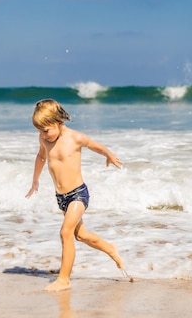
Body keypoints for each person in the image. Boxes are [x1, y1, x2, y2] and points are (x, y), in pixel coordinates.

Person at [25, 99, 131, 291]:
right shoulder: (44, 139)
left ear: (58, 122)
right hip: (62, 198)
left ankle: (64, 279)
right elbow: (41, 156)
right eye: (39, 131)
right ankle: (111, 249)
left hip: (78, 195)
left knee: (65, 232)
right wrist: (35, 180)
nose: (42, 135)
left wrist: (108, 154)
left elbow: (93, 145)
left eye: (46, 130)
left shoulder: (75, 138)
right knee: (81, 236)